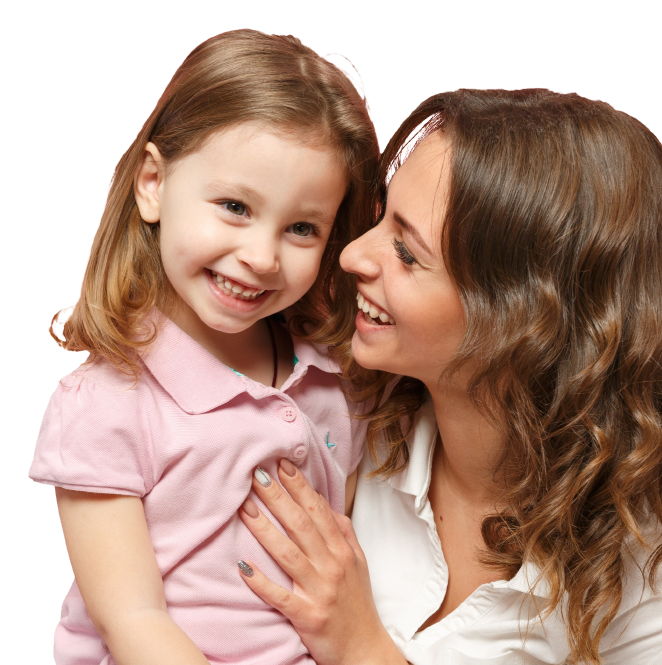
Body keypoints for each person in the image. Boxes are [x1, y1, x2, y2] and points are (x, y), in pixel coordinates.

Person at [235, 89, 662, 665]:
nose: (351, 257)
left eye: (406, 251)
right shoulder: (335, 417)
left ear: (521, 319)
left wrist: (361, 649)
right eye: (380, 217)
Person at [28, 30, 378, 665]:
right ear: (154, 184)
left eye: (302, 228)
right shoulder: (108, 402)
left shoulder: (333, 380)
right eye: (235, 207)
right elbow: (132, 622)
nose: (262, 257)